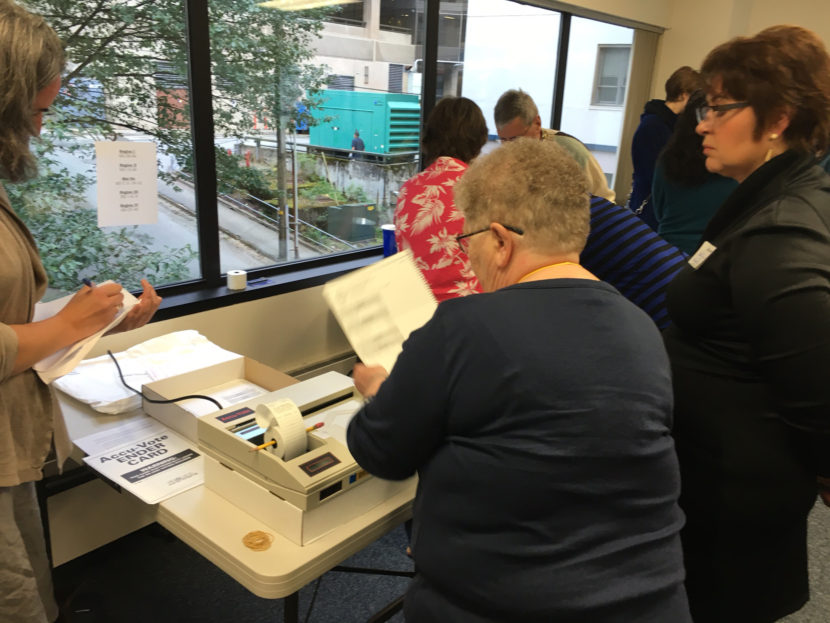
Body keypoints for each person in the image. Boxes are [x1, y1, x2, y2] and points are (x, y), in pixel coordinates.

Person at [348, 138, 691, 622]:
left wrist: (382, 392)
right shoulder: (643, 329)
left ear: (502, 242)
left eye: (468, 243)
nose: (467, 261)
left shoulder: (461, 327)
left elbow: (378, 451)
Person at [663, 25, 830, 623]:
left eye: (719, 107)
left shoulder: (780, 232)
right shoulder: (766, 199)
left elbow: (818, 389)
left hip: (734, 501)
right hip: (718, 483)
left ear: (779, 118)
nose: (701, 122)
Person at [0, 3, 162, 622]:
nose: (40, 131)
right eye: (35, 113)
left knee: (35, 588)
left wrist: (92, 321)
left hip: (12, 444)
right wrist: (66, 325)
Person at [393, 96, 487, 301]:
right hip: (470, 311)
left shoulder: (408, 190)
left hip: (416, 311)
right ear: (479, 140)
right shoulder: (483, 190)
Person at [651, 89, 737, 254]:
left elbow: (659, 209)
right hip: (714, 256)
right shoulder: (732, 167)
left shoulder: (668, 158)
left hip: (666, 255)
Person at [494, 88, 615, 202]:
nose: (510, 148)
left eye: (517, 139)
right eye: (504, 140)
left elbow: (605, 199)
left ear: (537, 123)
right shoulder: (501, 159)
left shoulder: (570, 151)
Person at [629, 66, 703, 230]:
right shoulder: (653, 127)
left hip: (659, 208)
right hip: (650, 211)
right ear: (684, 94)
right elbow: (656, 175)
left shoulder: (671, 125)